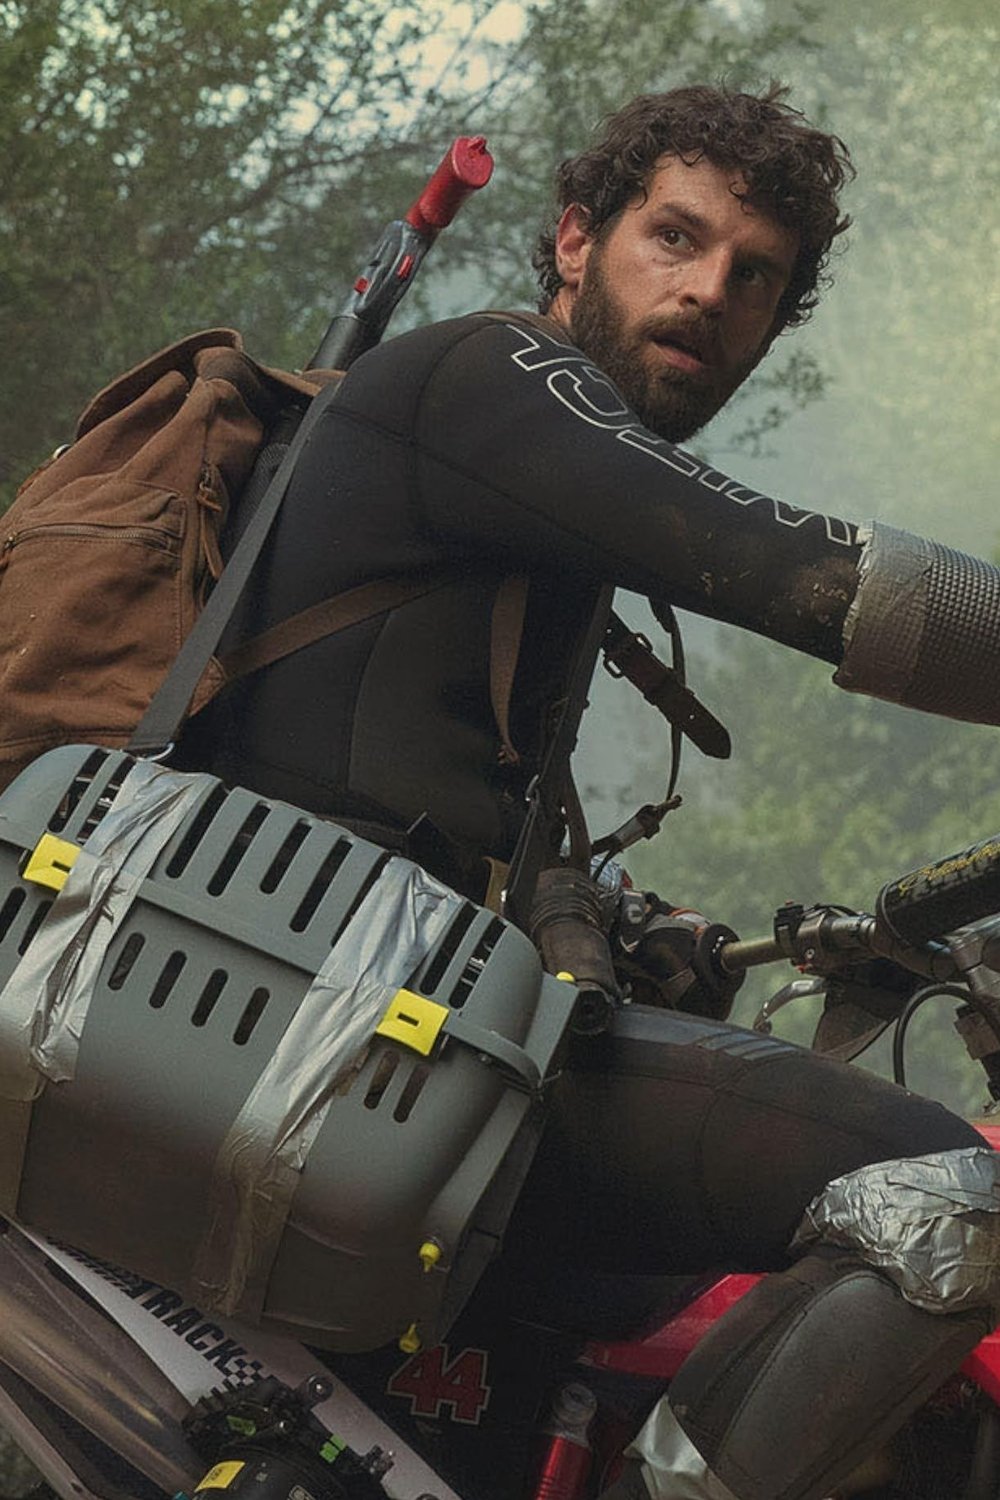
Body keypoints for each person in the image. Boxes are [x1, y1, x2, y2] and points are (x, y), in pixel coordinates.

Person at [179, 85, 1000, 1500]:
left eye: (757, 276)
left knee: (666, 1270)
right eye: (675, 238)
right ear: (574, 240)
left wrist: (604, 920)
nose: (711, 292)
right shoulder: (493, 377)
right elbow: (801, 574)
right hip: (312, 1022)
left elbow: (423, 792)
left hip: (354, 1014)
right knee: (952, 1191)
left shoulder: (522, 499)